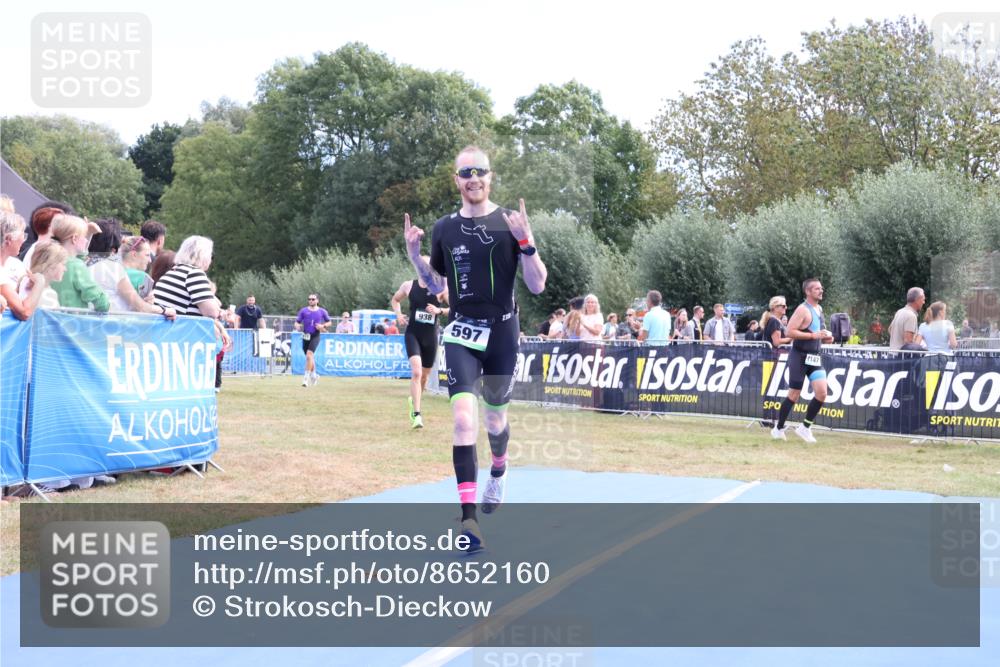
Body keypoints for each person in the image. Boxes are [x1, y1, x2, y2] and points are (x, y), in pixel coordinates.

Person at [402, 145, 547, 552]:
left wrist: (527, 244)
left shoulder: (509, 221)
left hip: (502, 334)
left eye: (479, 171)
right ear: (457, 180)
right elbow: (435, 286)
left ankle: (498, 470)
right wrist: (416, 258)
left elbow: (537, 284)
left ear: (490, 176)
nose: (473, 178)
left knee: (495, 423)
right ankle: (469, 521)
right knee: (465, 422)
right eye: (465, 172)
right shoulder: (444, 228)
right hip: (461, 332)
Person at [771, 279, 834, 443]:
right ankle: (778, 428)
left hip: (815, 356)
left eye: (821, 288)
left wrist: (826, 338)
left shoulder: (819, 309)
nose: (821, 291)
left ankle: (805, 427)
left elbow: (820, 332)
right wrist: (813, 336)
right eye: (817, 289)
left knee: (822, 393)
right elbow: (789, 331)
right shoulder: (802, 309)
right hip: (799, 357)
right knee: (794, 394)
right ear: (808, 291)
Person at [391, 267, 450, 428]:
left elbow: (457, 308)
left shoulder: (442, 288)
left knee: (424, 376)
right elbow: (395, 300)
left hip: (430, 337)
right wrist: (398, 315)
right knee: (416, 372)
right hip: (413, 334)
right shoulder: (408, 285)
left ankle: (414, 401)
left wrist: (440, 310)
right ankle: (417, 415)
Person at [89, 218, 176, 319]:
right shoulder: (113, 269)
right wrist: (165, 310)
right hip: (113, 326)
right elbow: (141, 307)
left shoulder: (87, 264)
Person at [49, 214, 111, 312]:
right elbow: (95, 295)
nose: (86, 240)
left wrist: (89, 233)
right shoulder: (76, 265)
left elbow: (79, 258)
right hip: (73, 322)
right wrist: (105, 305)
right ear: (74, 239)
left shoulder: (48, 259)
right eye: (84, 236)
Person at [1, 210, 46, 320]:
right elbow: (24, 312)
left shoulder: (15, 264)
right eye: (23, 235)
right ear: (8, 239)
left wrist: (24, 286)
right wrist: (39, 283)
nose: (23, 240)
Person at [759, 296, 792, 428]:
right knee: (774, 389)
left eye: (785, 306)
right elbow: (777, 342)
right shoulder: (774, 321)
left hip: (773, 358)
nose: (785, 308)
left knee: (771, 389)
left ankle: (768, 419)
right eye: (783, 306)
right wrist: (791, 337)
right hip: (775, 359)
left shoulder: (773, 320)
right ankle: (773, 419)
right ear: (775, 307)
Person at [295, 293, 331, 387]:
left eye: (313, 299)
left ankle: (305, 379)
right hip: (305, 336)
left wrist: (323, 326)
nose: (311, 301)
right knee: (310, 358)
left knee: (309, 355)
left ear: (317, 300)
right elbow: (297, 322)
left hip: (315, 335)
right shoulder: (303, 311)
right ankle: (314, 375)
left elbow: (329, 322)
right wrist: (297, 326)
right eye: (309, 299)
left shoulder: (322, 311)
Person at [119, 236, 155, 301]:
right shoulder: (141, 276)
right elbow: (145, 308)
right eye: (147, 255)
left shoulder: (112, 272)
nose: (150, 260)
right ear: (134, 254)